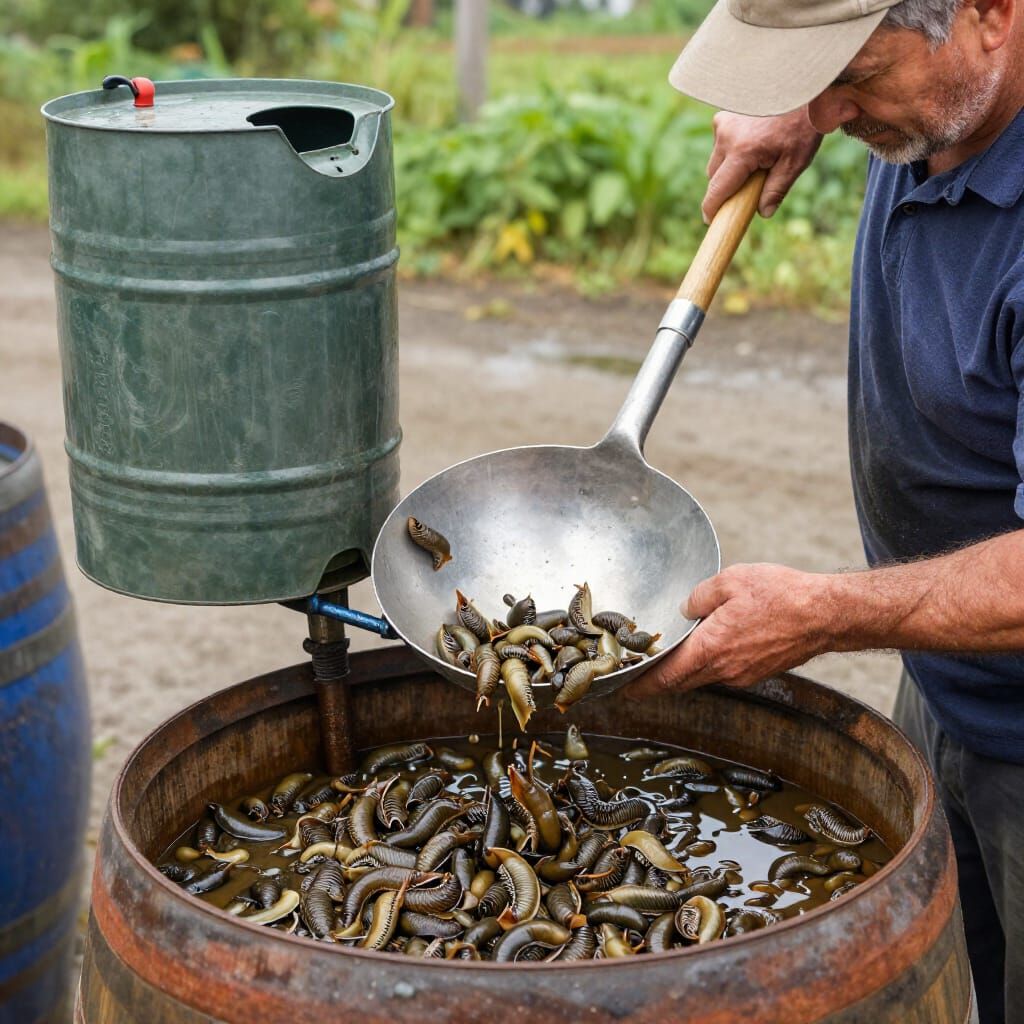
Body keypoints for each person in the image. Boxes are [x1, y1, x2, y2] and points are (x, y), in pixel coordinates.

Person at [628, 1, 1024, 1020]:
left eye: (851, 70)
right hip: (945, 680)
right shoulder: (942, 101)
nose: (831, 107)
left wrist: (828, 610)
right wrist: (797, 100)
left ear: (989, 14)